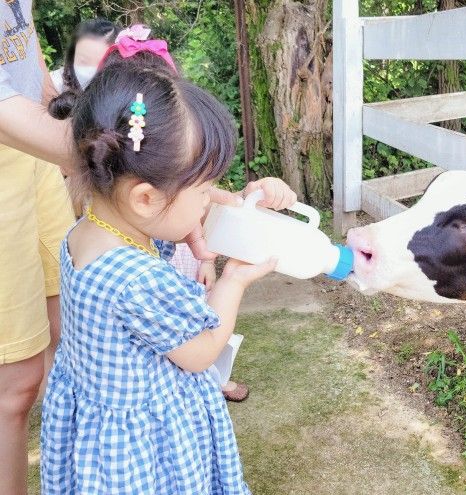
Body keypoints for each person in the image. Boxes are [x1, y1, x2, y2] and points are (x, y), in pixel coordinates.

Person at [40, 36, 296, 493]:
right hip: (145, 450)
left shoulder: (86, 231)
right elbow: (200, 353)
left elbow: (176, 215)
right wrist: (234, 279)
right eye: (204, 189)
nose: (208, 199)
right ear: (145, 197)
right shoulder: (141, 279)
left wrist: (232, 201)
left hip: (100, 432)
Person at [0, 2, 76, 493]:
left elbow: (25, 57)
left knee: (68, 327)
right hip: (11, 138)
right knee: (15, 384)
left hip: (32, 147)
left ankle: (68, 477)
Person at [169, 243, 251, 402]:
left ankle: (217, 378)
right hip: (161, 266)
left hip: (191, 261)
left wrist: (207, 262)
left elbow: (204, 227)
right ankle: (186, 382)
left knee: (208, 321)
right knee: (177, 332)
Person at [48, 18, 121, 96]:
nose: (92, 70)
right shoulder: (53, 85)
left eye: (103, 62)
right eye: (84, 61)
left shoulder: (127, 89)